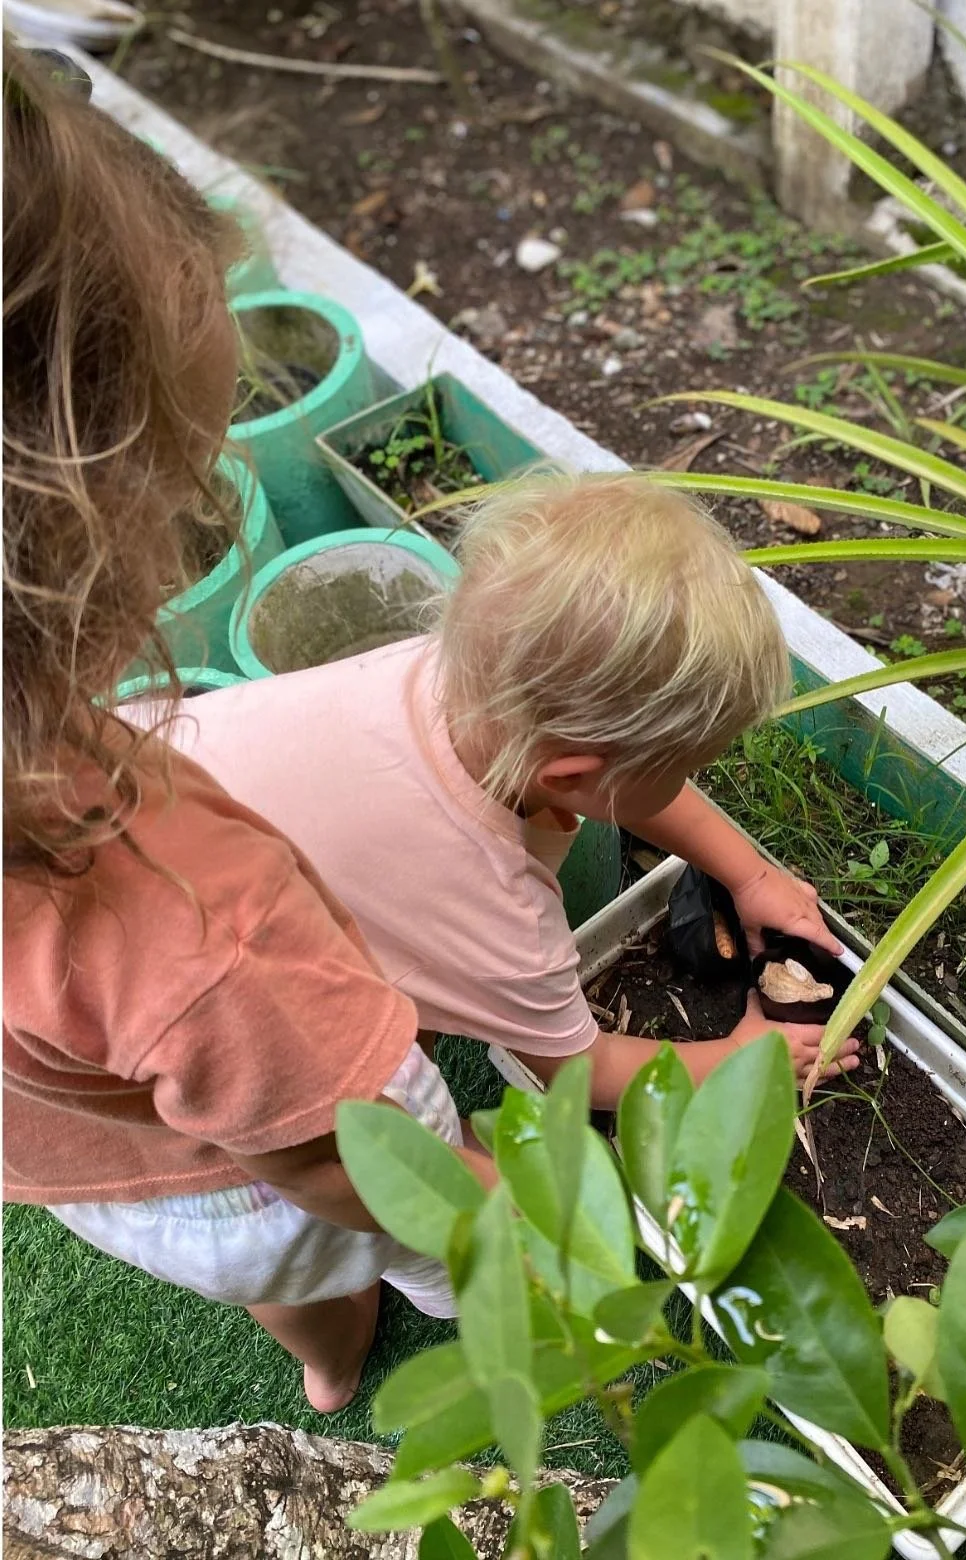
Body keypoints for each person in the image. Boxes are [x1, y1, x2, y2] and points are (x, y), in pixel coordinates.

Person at [1, 46, 491, 1417]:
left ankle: (326, 1365)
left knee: (279, 1275)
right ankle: (452, 1311)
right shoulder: (192, 919)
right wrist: (507, 1218)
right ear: (79, 517)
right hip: (261, 1165)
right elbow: (349, 1155)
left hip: (90, 1173)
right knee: (377, 1227)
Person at [158, 474, 862, 1107]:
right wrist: (744, 1058)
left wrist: (749, 871)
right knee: (378, 1088)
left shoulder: (464, 676)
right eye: (678, 768)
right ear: (572, 777)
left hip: (164, 784)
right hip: (189, 975)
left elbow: (616, 782)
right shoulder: (494, 907)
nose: (684, 782)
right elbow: (579, 1073)